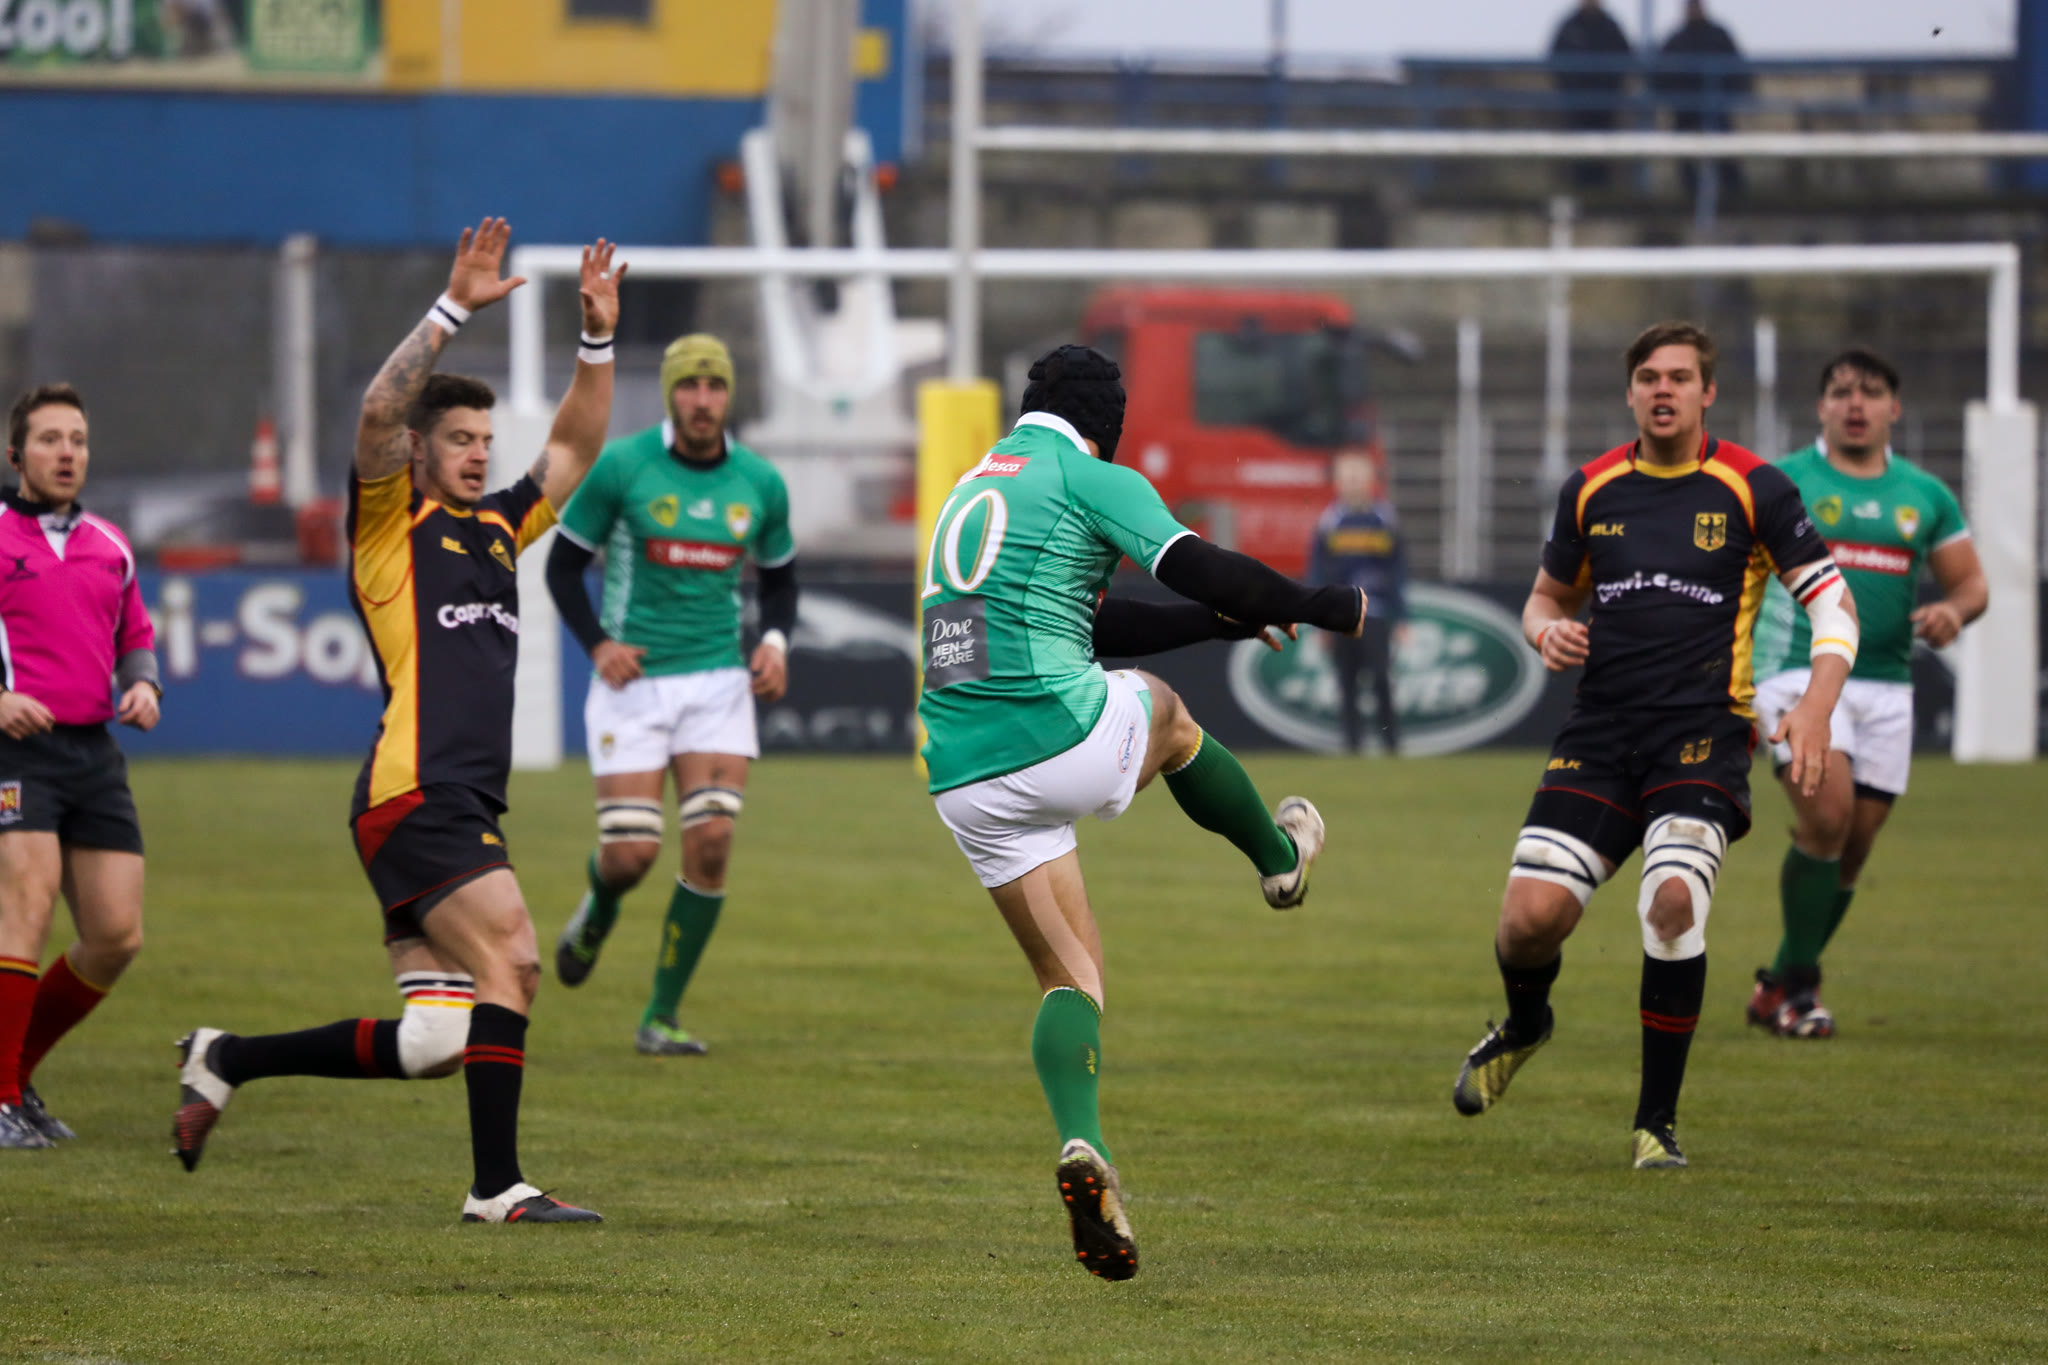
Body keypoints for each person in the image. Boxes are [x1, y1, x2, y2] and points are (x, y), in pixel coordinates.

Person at [173, 220, 624, 1224]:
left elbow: (574, 446)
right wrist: (455, 305)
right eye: (459, 439)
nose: (478, 454)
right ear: (420, 448)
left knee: (436, 1042)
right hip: (417, 794)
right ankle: (496, 1188)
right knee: (514, 958)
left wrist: (596, 338)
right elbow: (380, 406)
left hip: (445, 800)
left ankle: (225, 1059)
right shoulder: (390, 525)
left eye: (484, 441)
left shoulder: (498, 526)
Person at [920, 344, 1367, 1279]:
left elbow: (1091, 623)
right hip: (1051, 735)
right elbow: (1202, 566)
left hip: (962, 771)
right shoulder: (1089, 475)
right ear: (1108, 425)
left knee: (1071, 978)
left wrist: (1217, 623)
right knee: (1167, 714)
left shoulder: (973, 486)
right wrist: (1325, 602)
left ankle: (1084, 1146)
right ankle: (1280, 860)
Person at [1449, 321, 1856, 1171]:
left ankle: (1654, 1124)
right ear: (1631, 392)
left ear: (1708, 392)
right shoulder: (1592, 488)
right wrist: (1545, 630)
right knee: (1528, 923)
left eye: (1678, 376)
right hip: (1600, 733)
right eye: (1648, 377)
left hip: (1702, 735)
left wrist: (1817, 707)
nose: (1662, 389)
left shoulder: (1754, 487)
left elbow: (1832, 605)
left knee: (1673, 899)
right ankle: (1526, 1024)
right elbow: (1544, 599)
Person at [545, 334, 796, 1056]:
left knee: (711, 844)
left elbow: (781, 577)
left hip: (718, 683)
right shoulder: (623, 467)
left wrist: (775, 642)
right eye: (690, 385)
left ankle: (660, 1016)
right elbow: (562, 568)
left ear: (729, 394)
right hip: (634, 683)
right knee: (631, 855)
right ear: (670, 394)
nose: (703, 399)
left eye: (715, 385)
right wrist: (599, 644)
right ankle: (599, 906)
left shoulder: (760, 482)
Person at [1745, 350, 1985, 1038]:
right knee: (1828, 817)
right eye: (1842, 391)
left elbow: (1971, 585)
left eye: (1871, 391)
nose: (1856, 403)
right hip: (1794, 671)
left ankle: (1779, 982)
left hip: (1886, 682)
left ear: (1893, 408)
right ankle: (1800, 990)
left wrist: (1954, 612)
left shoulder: (1925, 495)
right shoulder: (1783, 481)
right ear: (1820, 406)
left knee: (1853, 847)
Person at [0, 384, 161, 1149]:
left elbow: (136, 633)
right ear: (16, 454)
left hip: (94, 752)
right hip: (16, 752)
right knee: (25, 907)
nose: (67, 453)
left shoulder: (110, 544)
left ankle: (15, 1075)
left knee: (115, 934)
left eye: (78, 440)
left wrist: (144, 684)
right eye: (50, 439)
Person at [1308, 451, 1409, 754]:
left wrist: (1401, 617)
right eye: (1347, 476)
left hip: (1375, 613)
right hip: (1340, 614)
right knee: (1347, 680)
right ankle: (1352, 745)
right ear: (1338, 481)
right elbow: (1317, 572)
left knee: (1380, 677)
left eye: (1358, 475)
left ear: (1370, 480)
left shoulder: (1385, 519)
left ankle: (1391, 743)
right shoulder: (1329, 521)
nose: (1353, 482)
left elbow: (1398, 571)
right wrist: (1319, 619)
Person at [1656, 0, 1750, 198]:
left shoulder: (1717, 36)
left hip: (1716, 107)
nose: (1693, 11)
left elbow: (1737, 69)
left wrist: (1729, 97)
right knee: (1684, 146)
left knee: (1725, 145)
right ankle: (1691, 192)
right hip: (1687, 110)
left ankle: (1734, 192)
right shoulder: (1677, 39)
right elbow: (1660, 74)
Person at [1549, 0, 1634, 189]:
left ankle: (1600, 192)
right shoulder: (1569, 27)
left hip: (1605, 106)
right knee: (1578, 154)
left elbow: (1626, 58)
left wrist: (1611, 89)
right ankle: (1581, 191)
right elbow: (1555, 59)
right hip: (1576, 106)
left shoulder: (1611, 27)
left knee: (1603, 155)